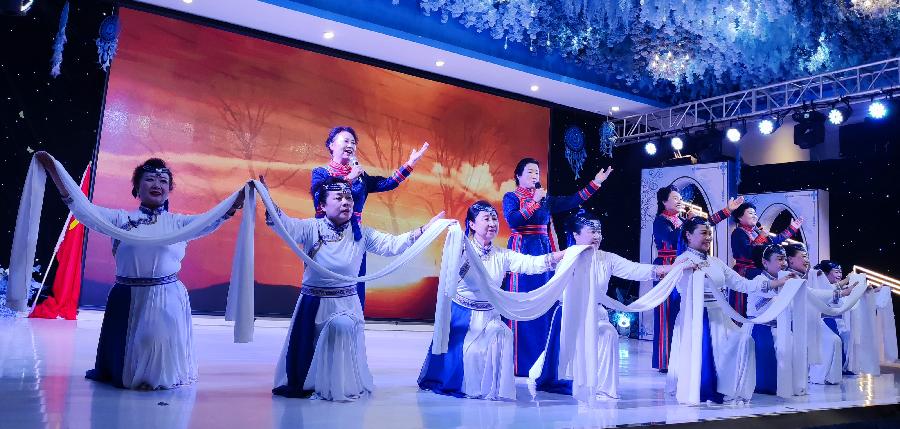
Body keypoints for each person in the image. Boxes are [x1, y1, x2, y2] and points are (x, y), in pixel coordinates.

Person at [34, 151, 243, 390]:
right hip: (126, 294)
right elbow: (83, 209)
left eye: (163, 181)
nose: (157, 185)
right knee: (127, 350)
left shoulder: (179, 223)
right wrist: (54, 169)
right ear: (137, 187)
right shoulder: (120, 219)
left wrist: (239, 199)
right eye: (150, 179)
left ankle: (153, 379)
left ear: (169, 189)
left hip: (165, 295)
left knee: (152, 340)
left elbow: (213, 218)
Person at [265, 176, 443, 401]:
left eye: (349, 198)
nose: (346, 202)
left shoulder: (361, 233)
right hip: (312, 303)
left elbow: (392, 245)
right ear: (322, 205)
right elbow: (285, 225)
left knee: (341, 326)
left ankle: (338, 385)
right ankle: (312, 383)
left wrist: (425, 229)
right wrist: (267, 200)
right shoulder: (311, 228)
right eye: (338, 198)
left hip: (346, 305)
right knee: (307, 349)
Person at [418, 201, 565, 400]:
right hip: (463, 317)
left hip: (490, 315)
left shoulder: (502, 255)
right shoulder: (461, 250)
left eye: (494, 219)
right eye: (486, 219)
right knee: (471, 352)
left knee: (503, 335)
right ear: (472, 224)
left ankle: (492, 389)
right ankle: (470, 387)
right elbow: (451, 276)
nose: (492, 223)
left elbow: (531, 263)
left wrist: (565, 254)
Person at [531, 211, 674, 400]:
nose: (597, 236)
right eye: (592, 231)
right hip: (570, 314)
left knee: (608, 333)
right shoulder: (565, 259)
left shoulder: (606, 258)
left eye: (599, 231)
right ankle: (572, 378)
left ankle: (602, 387)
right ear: (576, 235)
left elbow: (635, 269)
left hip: (596, 314)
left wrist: (670, 268)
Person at [502, 157, 612, 376]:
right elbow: (513, 221)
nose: (535, 175)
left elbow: (571, 201)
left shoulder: (545, 199)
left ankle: (542, 362)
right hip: (522, 249)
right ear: (518, 175)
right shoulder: (511, 197)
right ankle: (518, 362)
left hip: (544, 249)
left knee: (546, 301)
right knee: (523, 301)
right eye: (530, 172)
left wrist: (596, 182)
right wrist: (534, 201)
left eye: (537, 172)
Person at [669, 217, 793, 404]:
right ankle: (708, 388)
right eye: (703, 233)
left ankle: (728, 388)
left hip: (720, 316)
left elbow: (741, 283)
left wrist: (776, 283)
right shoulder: (682, 261)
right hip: (697, 319)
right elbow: (684, 292)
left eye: (709, 233)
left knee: (744, 341)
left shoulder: (716, 262)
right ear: (688, 235)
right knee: (717, 351)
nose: (708, 237)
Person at [309, 126, 429, 308]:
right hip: (327, 241)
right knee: (325, 292)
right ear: (331, 145)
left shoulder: (361, 177)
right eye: (346, 141)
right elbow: (319, 201)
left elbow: (388, 183)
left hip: (354, 240)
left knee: (354, 294)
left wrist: (410, 164)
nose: (351, 145)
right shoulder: (321, 173)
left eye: (353, 142)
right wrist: (348, 179)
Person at [651, 185, 742, 372]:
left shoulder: (682, 220)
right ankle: (665, 361)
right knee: (665, 313)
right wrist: (688, 222)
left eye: (680, 198)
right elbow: (671, 237)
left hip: (686, 267)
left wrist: (727, 210)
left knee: (683, 311)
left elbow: (703, 225)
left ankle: (684, 356)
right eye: (674, 198)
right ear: (664, 202)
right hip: (668, 268)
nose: (679, 201)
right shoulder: (660, 221)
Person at [729, 203, 802, 316]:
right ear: (740, 217)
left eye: (755, 213)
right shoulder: (738, 232)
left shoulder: (756, 231)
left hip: (759, 271)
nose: (754, 216)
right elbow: (747, 253)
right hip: (745, 273)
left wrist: (792, 228)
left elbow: (775, 241)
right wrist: (761, 237)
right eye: (750, 213)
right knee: (746, 306)